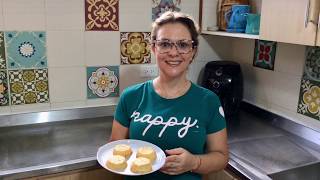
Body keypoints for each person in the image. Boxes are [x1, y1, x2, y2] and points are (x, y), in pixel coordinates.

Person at [110, 11, 228, 180]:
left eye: (183, 45)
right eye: (165, 44)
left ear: (193, 51)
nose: (174, 53)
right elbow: (114, 148)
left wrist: (194, 162)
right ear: (153, 48)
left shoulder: (208, 101)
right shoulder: (131, 97)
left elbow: (221, 157)